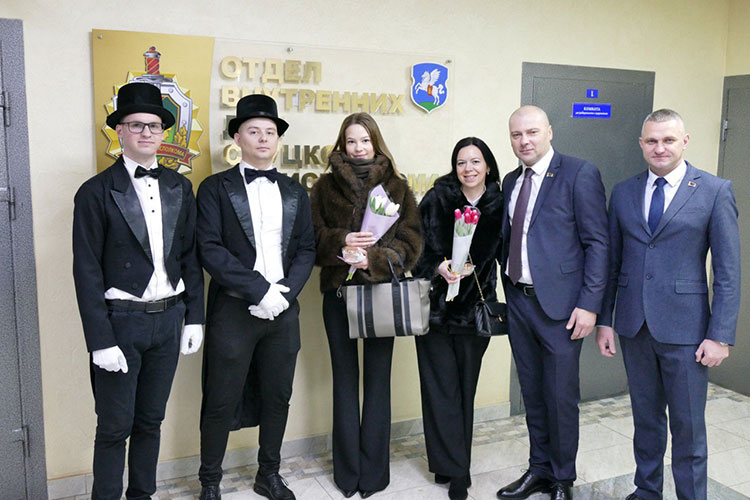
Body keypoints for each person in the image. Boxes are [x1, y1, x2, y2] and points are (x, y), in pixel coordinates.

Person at [595, 109, 740, 500]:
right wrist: (605, 320)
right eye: (652, 141)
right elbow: (612, 263)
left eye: (669, 140)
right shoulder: (624, 192)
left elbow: (727, 271)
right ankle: (647, 491)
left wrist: (720, 335)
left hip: (687, 331)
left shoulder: (714, 191)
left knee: (688, 427)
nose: (660, 148)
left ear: (685, 142)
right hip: (634, 326)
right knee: (646, 421)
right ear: (641, 144)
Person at [73, 82, 205, 500]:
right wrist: (100, 340)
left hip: (168, 319)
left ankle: (142, 495)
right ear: (120, 131)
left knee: (151, 421)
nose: (146, 132)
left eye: (154, 126)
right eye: (136, 125)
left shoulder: (180, 187)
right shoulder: (95, 192)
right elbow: (86, 272)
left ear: (163, 133)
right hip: (121, 324)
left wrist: (195, 316)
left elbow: (190, 255)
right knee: (115, 427)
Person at [195, 94, 315, 500]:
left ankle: (269, 474)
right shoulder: (214, 188)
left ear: (277, 139)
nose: (263, 138)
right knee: (220, 398)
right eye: (253, 131)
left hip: (283, 310)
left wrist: (284, 293)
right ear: (237, 138)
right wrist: (259, 290)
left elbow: (306, 249)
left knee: (278, 396)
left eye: (270, 132)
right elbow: (210, 249)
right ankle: (210, 482)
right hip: (234, 308)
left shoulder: (295, 191)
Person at [497, 105, 608, 500]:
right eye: (516, 135)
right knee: (532, 392)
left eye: (531, 132)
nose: (524, 141)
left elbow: (598, 243)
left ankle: (562, 478)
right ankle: (538, 469)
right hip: (519, 302)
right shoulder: (511, 181)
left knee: (560, 397)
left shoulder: (579, 174)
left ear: (549, 132)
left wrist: (589, 304)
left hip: (562, 309)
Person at [310, 112, 423, 498]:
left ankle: (374, 475)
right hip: (338, 296)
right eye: (351, 141)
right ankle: (347, 474)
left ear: (376, 143)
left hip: (380, 296)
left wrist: (372, 259)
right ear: (342, 145)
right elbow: (312, 237)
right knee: (344, 381)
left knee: (377, 382)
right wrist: (342, 243)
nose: (358, 148)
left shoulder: (398, 188)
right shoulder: (324, 187)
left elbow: (411, 243)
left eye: (365, 140)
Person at [413, 137, 504, 500]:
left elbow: (509, 255)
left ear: (488, 166)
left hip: (473, 313)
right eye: (461, 162)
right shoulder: (437, 198)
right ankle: (453, 470)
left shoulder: (500, 204)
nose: (468, 168)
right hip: (434, 312)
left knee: (464, 391)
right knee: (439, 391)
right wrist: (438, 266)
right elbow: (414, 246)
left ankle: (455, 465)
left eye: (475, 161)